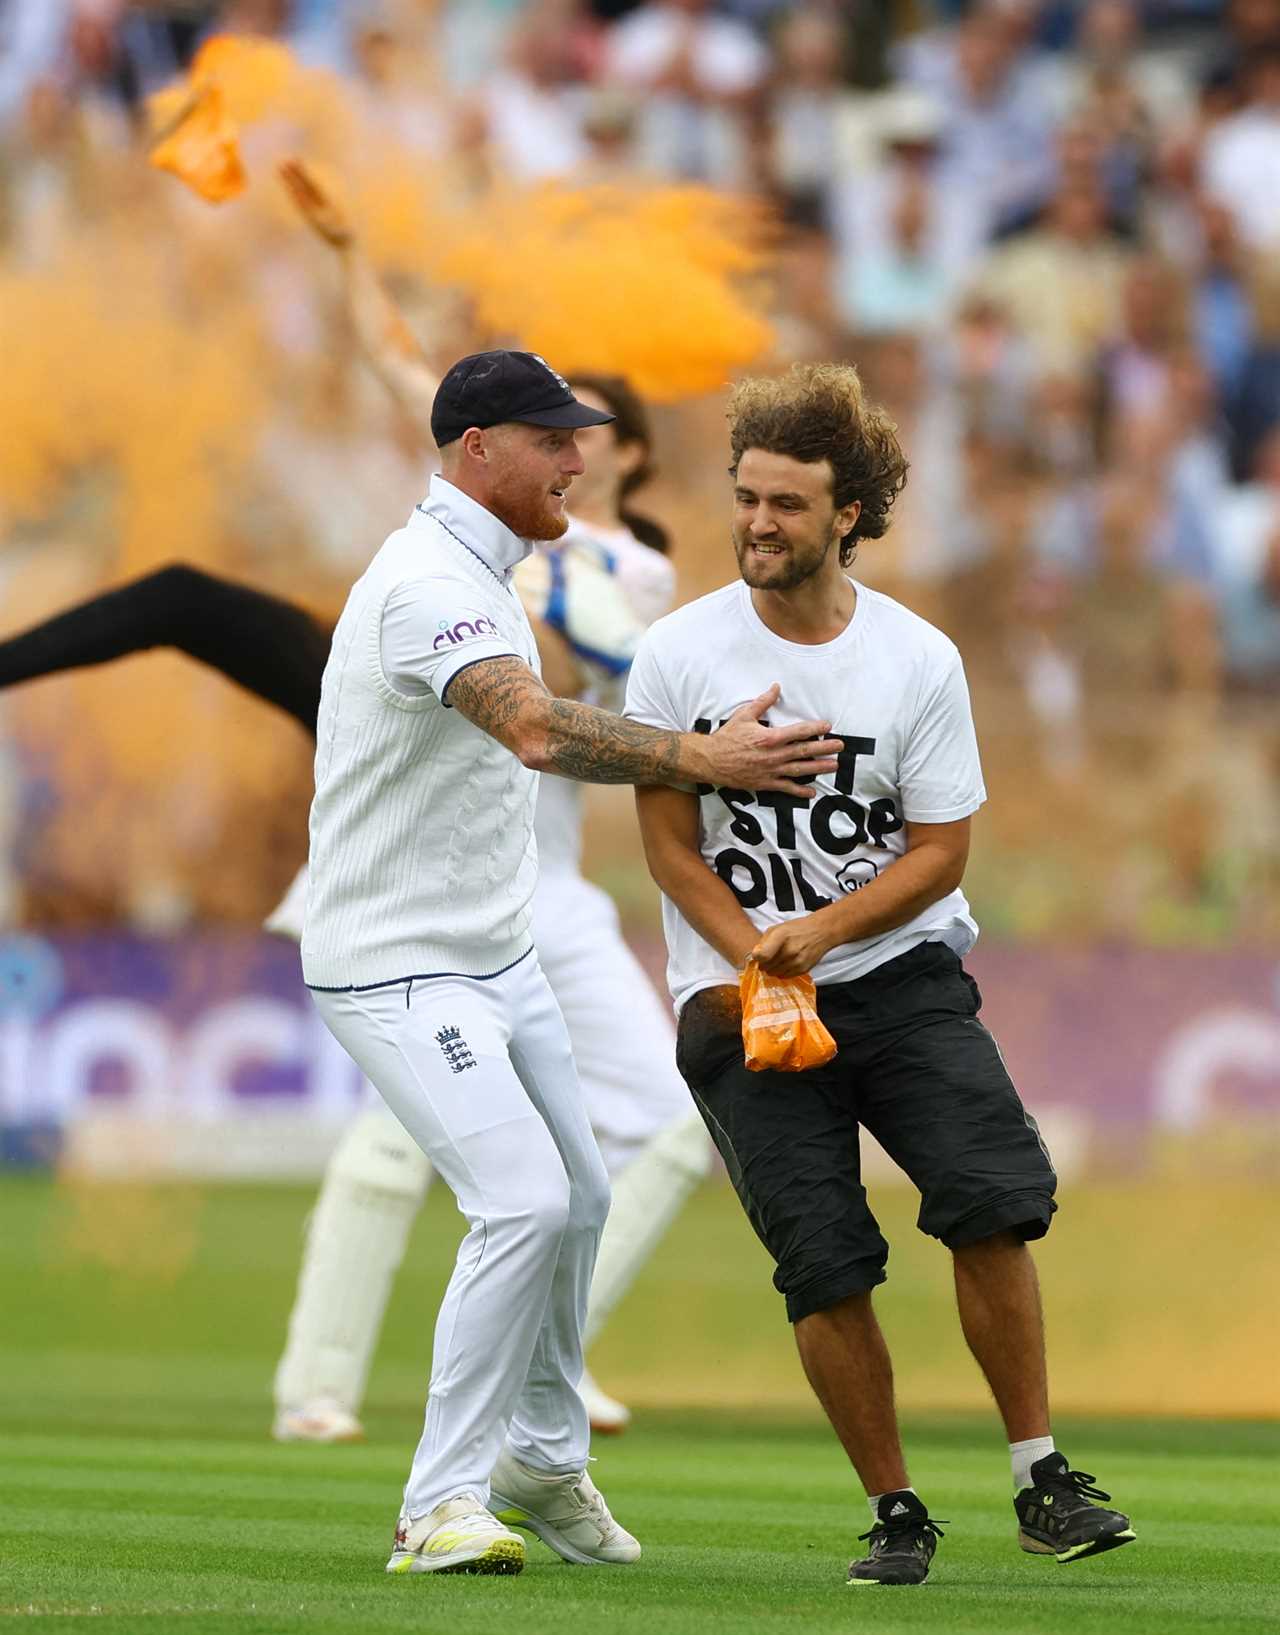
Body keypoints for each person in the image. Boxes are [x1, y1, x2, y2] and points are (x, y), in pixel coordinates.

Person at [298, 345, 841, 1575]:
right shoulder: (432, 580)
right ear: (476, 452)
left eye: (578, 436)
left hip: (493, 953)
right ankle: (436, 1506)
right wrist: (695, 757)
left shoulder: (492, 565)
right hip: (396, 962)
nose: (577, 459)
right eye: (551, 439)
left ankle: (541, 1465)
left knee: (584, 1193)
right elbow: (532, 727)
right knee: (524, 1200)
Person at [623, 361, 1137, 1587]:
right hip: (735, 995)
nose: (756, 522)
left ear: (848, 512)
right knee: (822, 1259)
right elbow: (664, 845)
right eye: (746, 496)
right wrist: (757, 951)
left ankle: (1038, 1476)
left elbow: (942, 852)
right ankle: (894, 1508)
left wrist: (822, 931)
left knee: (990, 1201)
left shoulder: (916, 659)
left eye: (786, 504)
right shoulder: (677, 651)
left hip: (897, 976)